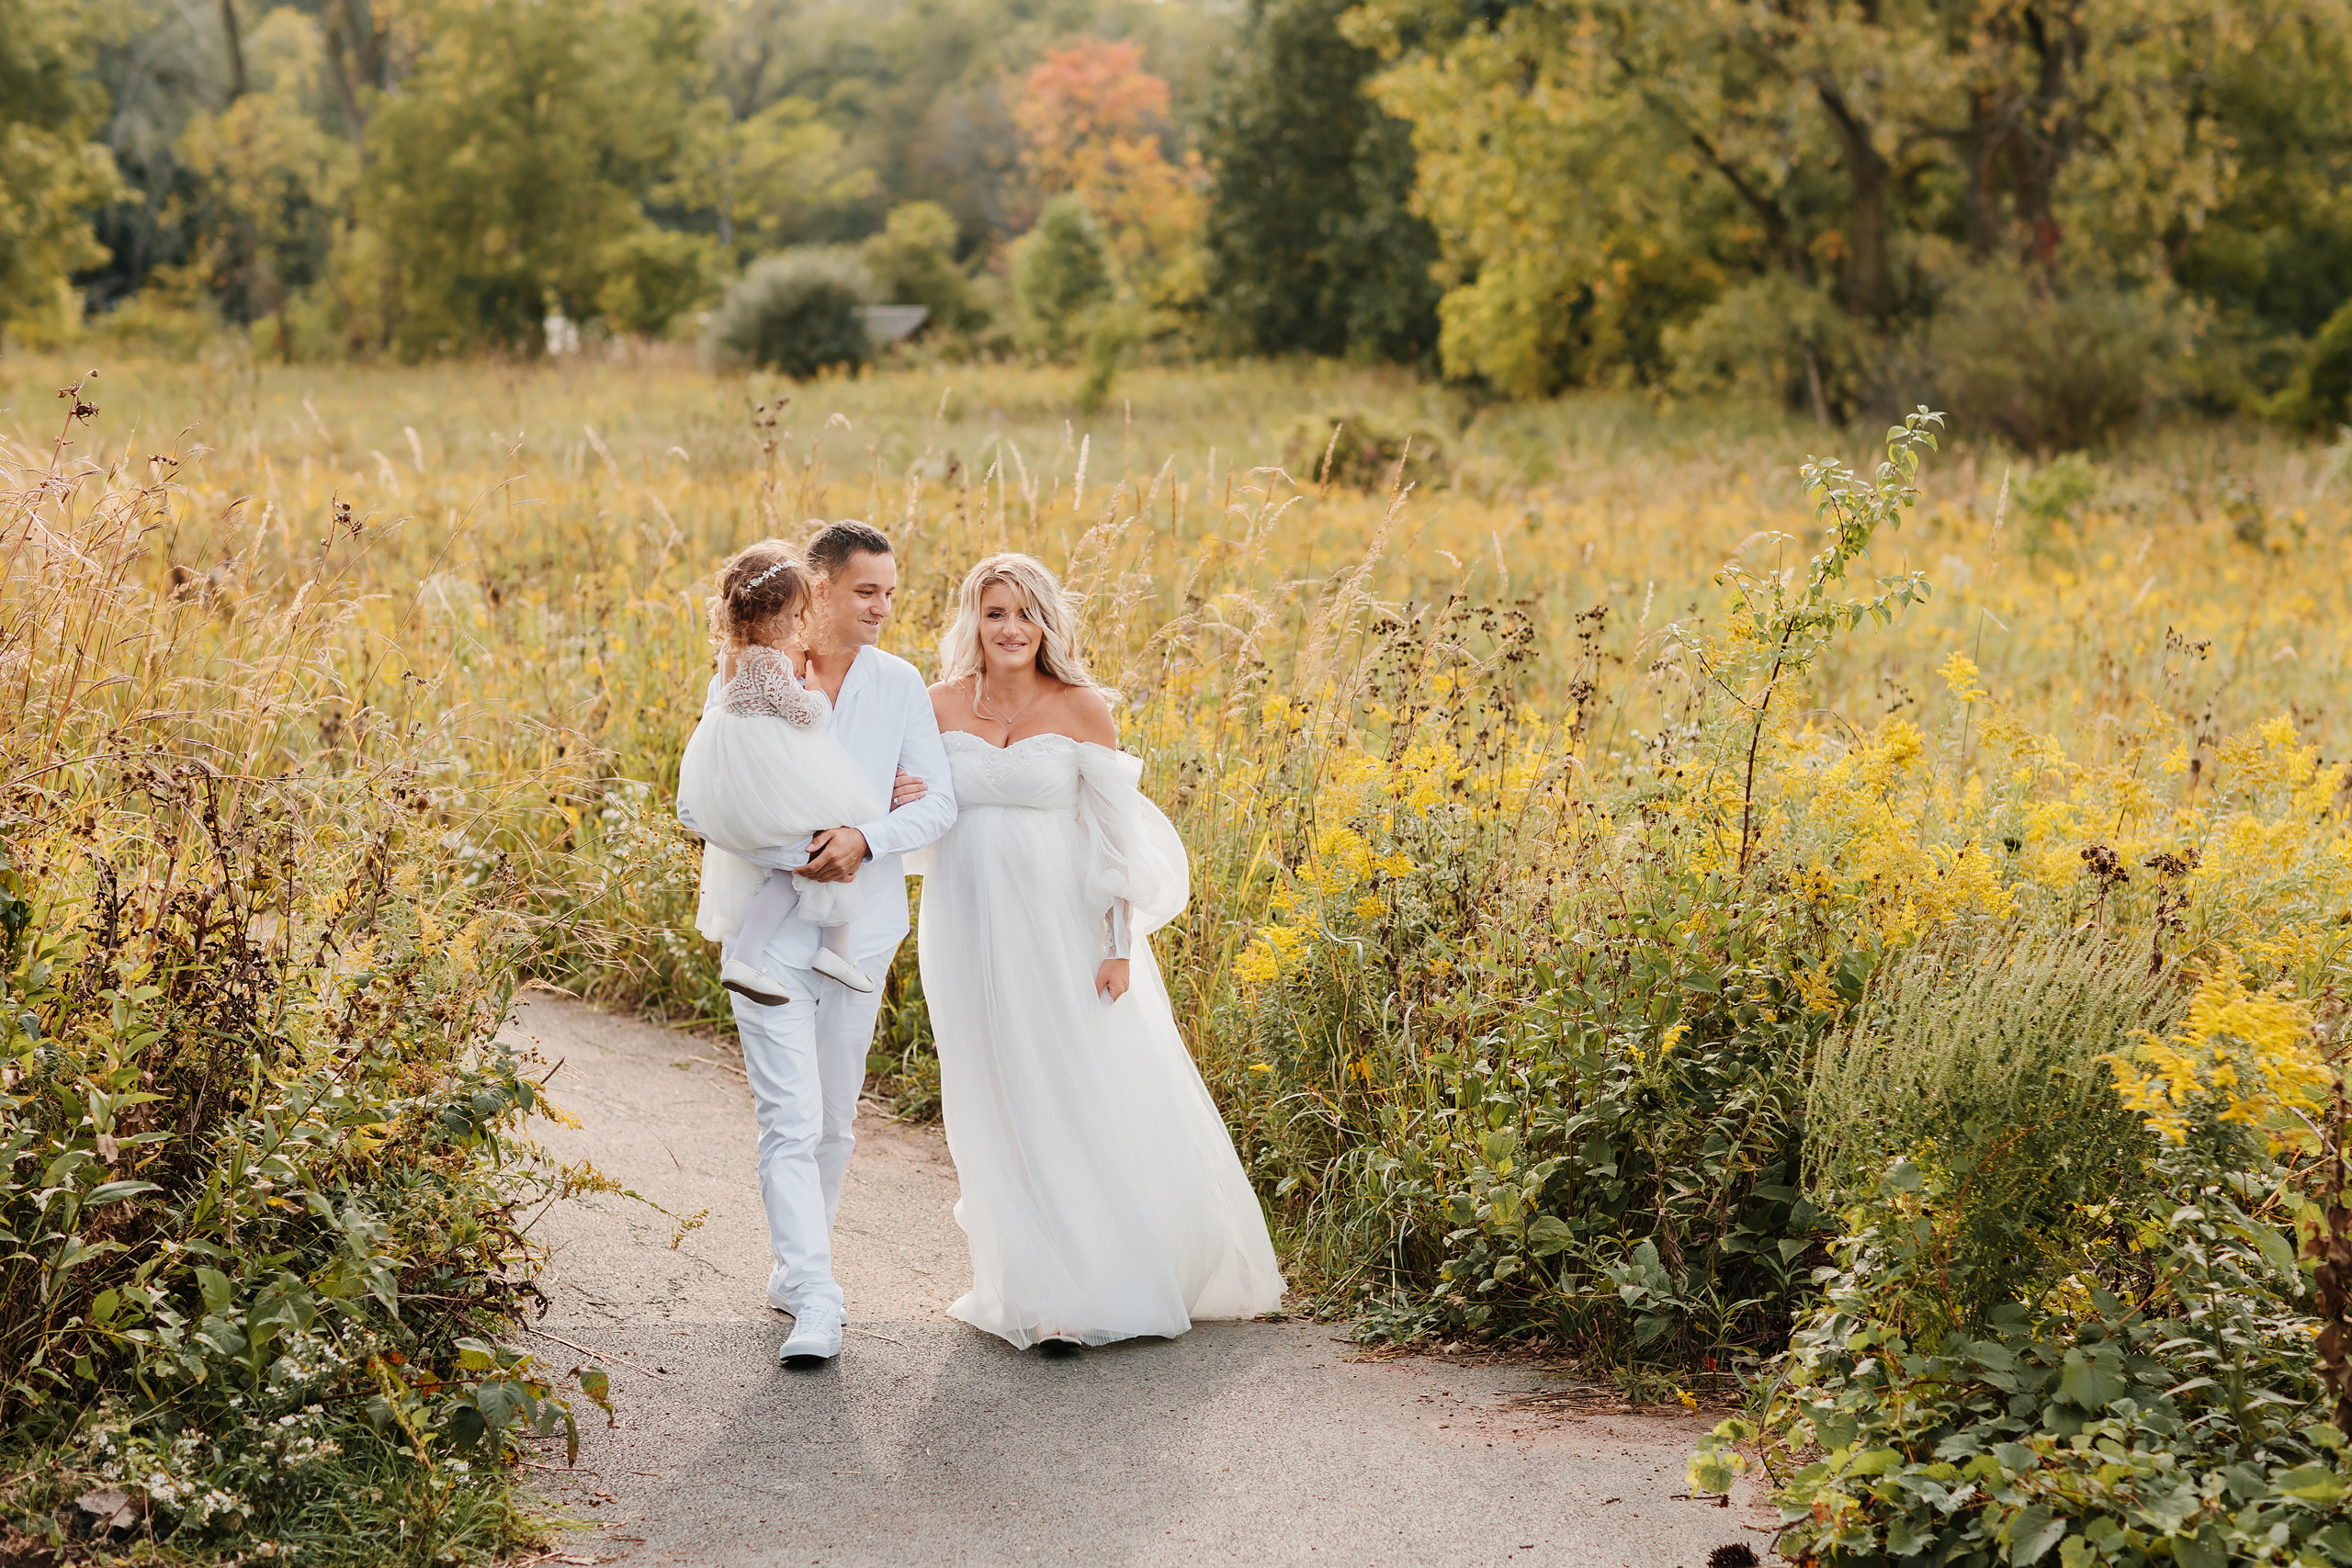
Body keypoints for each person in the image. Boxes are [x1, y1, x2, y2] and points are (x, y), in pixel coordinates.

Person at [917, 553, 1284, 1356]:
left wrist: (1119, 946)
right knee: (995, 1093)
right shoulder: (937, 703)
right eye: (995, 613)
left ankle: (1082, 1287)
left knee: (1066, 1086)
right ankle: (1023, 1275)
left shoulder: (1081, 707)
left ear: (1049, 624)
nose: (1011, 629)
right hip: (965, 927)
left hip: (1065, 931)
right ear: (972, 623)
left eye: (1026, 614)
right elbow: (911, 806)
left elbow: (1115, 838)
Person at [677, 521, 956, 1368]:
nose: (881, 608)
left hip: (858, 933)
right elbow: (700, 807)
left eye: (890, 594)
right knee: (787, 1117)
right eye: (866, 591)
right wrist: (799, 849)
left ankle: (802, 1267)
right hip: (767, 938)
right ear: (819, 591)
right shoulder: (742, 678)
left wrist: (865, 837)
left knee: (834, 1118)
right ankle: (820, 1297)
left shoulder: (899, 683)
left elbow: (936, 804)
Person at [676, 543, 885, 1005]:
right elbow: (804, 716)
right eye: (792, 617)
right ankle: (825, 950)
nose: (797, 626)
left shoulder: (731, 656)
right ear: (767, 616)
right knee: (830, 833)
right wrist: (814, 692)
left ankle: (786, 955)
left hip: (734, 767)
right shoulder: (770, 662)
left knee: (810, 852)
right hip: (768, 769)